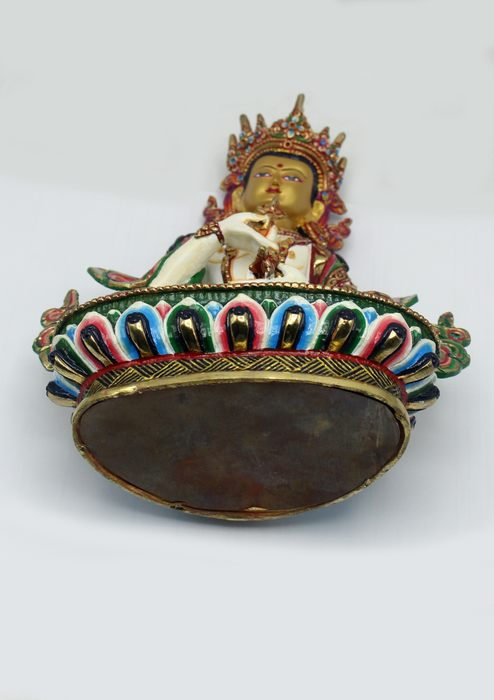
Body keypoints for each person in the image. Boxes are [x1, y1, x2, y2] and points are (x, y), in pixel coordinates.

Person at [88, 95, 356, 292]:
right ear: (238, 196)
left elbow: (351, 305)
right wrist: (216, 235)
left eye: (292, 178)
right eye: (262, 174)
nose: (275, 182)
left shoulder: (318, 258)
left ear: (316, 208)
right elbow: (155, 294)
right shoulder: (205, 241)